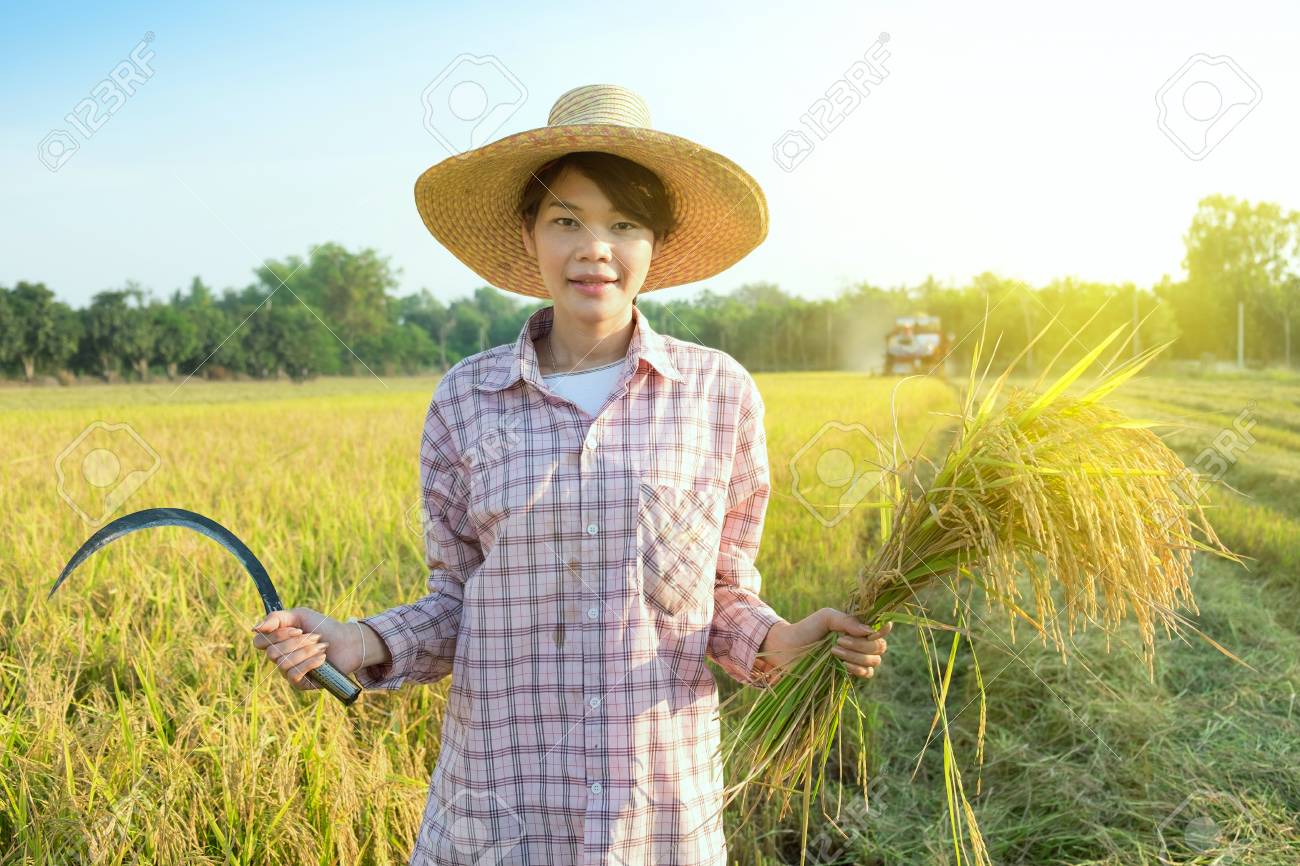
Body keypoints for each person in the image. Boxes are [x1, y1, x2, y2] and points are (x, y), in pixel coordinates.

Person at [252, 83, 891, 865]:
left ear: (655, 243)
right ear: (530, 237)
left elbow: (721, 596)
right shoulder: (468, 397)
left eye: (623, 224)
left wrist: (786, 642)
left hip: (653, 811)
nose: (595, 248)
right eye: (567, 221)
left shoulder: (718, 394)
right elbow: (459, 601)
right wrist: (358, 641)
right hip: (500, 804)